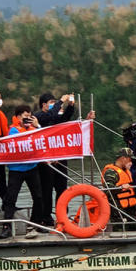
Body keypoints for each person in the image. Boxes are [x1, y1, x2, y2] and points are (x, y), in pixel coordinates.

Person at [34, 92, 95, 227]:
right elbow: (50, 116)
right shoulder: (39, 117)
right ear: (44, 104)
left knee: (62, 189)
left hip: (60, 158)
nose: (55, 105)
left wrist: (71, 106)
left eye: (55, 102)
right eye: (51, 102)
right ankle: (46, 217)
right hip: (46, 160)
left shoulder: (55, 117)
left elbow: (65, 119)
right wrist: (61, 101)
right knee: (46, 190)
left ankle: (62, 216)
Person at [0, 105, 44, 239]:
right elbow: (18, 142)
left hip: (32, 168)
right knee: (11, 198)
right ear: (18, 117)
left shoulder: (34, 129)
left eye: (30, 116)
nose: (28, 119)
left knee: (38, 196)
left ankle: (35, 224)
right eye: (25, 116)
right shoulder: (13, 130)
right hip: (16, 169)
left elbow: (44, 138)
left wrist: (37, 126)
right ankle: (6, 227)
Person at [102, 148, 136, 223]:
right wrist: (121, 188)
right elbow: (107, 190)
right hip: (118, 212)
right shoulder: (111, 172)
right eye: (130, 160)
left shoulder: (127, 171)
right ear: (123, 158)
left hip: (130, 210)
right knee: (120, 228)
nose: (131, 163)